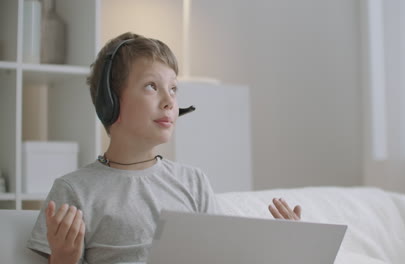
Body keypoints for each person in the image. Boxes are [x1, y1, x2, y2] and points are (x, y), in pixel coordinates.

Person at [27, 32, 301, 264]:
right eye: (151, 86)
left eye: (173, 89)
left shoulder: (193, 182)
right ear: (109, 103)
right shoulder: (74, 191)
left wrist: (282, 248)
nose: (170, 101)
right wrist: (63, 259)